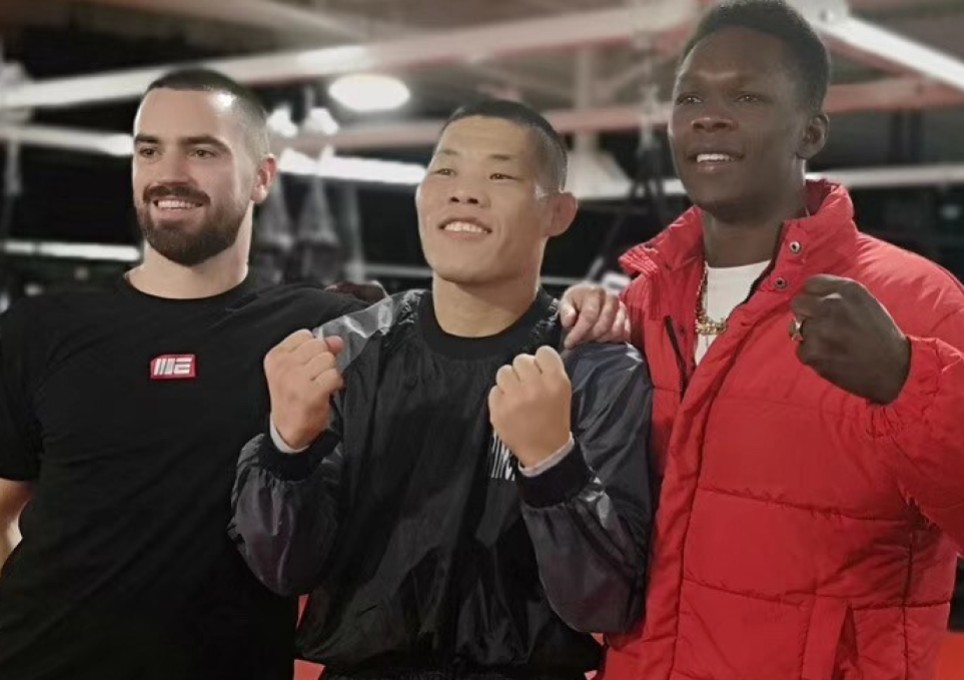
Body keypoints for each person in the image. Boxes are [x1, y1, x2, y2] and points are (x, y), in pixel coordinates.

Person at [559, 2, 964, 679]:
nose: (709, 116)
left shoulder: (918, 303)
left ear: (811, 132)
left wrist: (909, 381)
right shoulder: (643, 302)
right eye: (691, 97)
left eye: (746, 96)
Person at [228, 99, 654, 680]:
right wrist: (286, 450)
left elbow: (605, 603)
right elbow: (281, 569)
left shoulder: (593, 370)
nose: (465, 193)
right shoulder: (348, 350)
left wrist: (552, 464)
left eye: (500, 175)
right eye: (446, 170)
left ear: (557, 213)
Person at [0, 69, 372, 680]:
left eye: (202, 151)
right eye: (150, 150)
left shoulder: (318, 330)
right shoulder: (41, 329)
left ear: (262, 178)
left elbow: (463, 337)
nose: (169, 173)